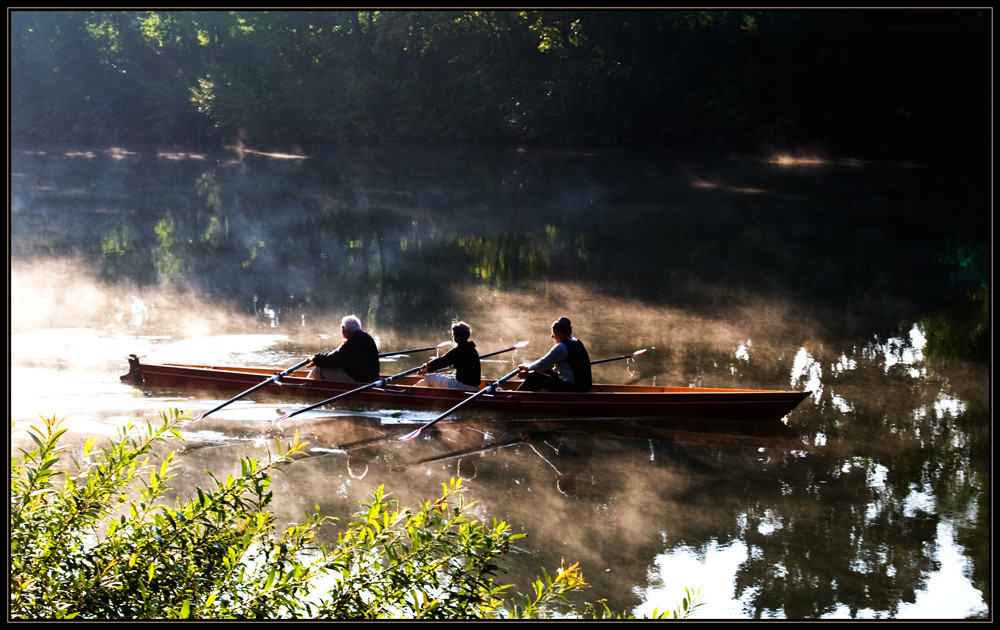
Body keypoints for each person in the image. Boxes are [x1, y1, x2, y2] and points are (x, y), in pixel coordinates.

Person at [517, 316, 592, 392]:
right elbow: (549, 365)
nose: (552, 337)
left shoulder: (562, 347)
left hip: (574, 388)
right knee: (542, 372)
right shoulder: (577, 342)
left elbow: (543, 362)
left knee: (535, 377)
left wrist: (527, 368)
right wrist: (530, 371)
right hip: (584, 386)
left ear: (561, 335)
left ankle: (516, 396)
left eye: (554, 334)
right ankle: (527, 395)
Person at [309, 315, 380, 383]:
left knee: (321, 369)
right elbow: (336, 355)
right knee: (322, 364)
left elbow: (333, 360)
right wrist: (318, 360)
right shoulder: (366, 338)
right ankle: (309, 383)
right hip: (368, 377)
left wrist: (315, 359)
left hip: (362, 381)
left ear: (346, 330)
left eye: (342, 329)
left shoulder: (352, 343)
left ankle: (307, 387)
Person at [417, 321, 481, 390]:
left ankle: (411, 391)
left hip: (462, 386)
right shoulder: (472, 349)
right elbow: (447, 361)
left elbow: (442, 361)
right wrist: (429, 366)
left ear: (459, 337)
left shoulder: (458, 351)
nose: (452, 336)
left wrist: (427, 367)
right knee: (451, 374)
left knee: (429, 378)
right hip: (475, 386)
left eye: (453, 334)